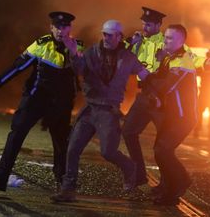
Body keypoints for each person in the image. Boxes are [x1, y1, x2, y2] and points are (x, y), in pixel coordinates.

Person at [0, 11, 83, 192]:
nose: (61, 31)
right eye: (57, 27)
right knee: (16, 134)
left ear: (70, 28)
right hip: (36, 97)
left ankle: (63, 183)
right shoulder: (41, 44)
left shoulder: (77, 46)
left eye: (65, 27)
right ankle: (0, 178)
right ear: (51, 27)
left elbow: (81, 71)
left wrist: (72, 52)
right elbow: (19, 64)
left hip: (61, 103)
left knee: (61, 142)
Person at [51, 20, 149, 202]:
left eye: (110, 35)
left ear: (119, 37)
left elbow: (145, 76)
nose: (106, 38)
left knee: (108, 152)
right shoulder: (92, 52)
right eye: (104, 34)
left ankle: (129, 167)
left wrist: (161, 85)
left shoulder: (127, 57)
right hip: (90, 108)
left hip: (108, 111)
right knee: (72, 149)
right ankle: (68, 188)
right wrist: (73, 52)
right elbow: (79, 69)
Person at [122, 8, 207, 189]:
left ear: (158, 26)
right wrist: (131, 43)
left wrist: (206, 62)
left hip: (162, 99)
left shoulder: (169, 43)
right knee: (128, 131)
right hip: (145, 94)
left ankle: (167, 183)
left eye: (149, 24)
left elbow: (190, 57)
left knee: (162, 146)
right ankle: (139, 175)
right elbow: (119, 53)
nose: (145, 27)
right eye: (144, 23)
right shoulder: (138, 40)